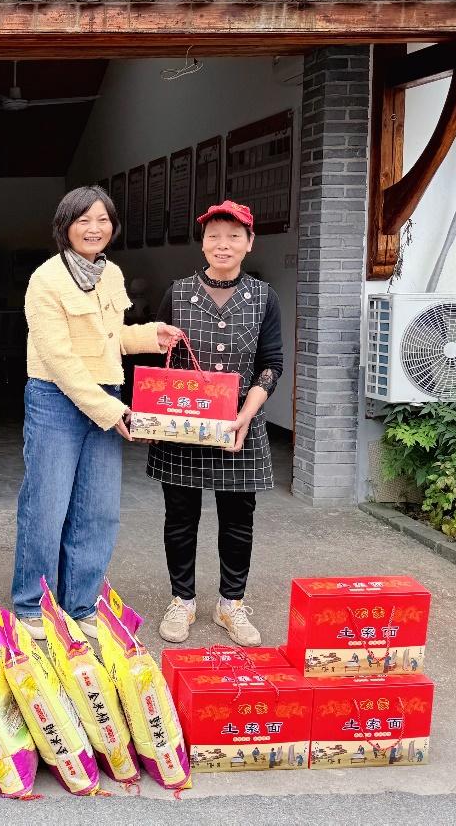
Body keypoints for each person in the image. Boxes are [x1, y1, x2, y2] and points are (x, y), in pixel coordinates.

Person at [11, 186, 182, 639]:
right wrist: (112, 410)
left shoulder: (111, 274)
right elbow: (59, 359)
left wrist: (149, 336)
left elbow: (111, 338)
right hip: (55, 399)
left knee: (98, 510)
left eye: (102, 219)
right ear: (65, 226)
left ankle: (81, 601)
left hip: (105, 394)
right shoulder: (46, 279)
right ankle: (32, 604)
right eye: (83, 219)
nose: (94, 228)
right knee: (46, 506)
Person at [148, 200, 284, 648]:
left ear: (249, 242)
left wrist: (248, 413)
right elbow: (159, 359)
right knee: (180, 517)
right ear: (203, 243)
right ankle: (182, 600)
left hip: (239, 425)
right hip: (185, 424)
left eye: (233, 236)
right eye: (213, 236)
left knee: (238, 519)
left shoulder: (264, 297)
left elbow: (271, 364)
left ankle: (231, 603)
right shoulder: (178, 293)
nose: (222, 244)